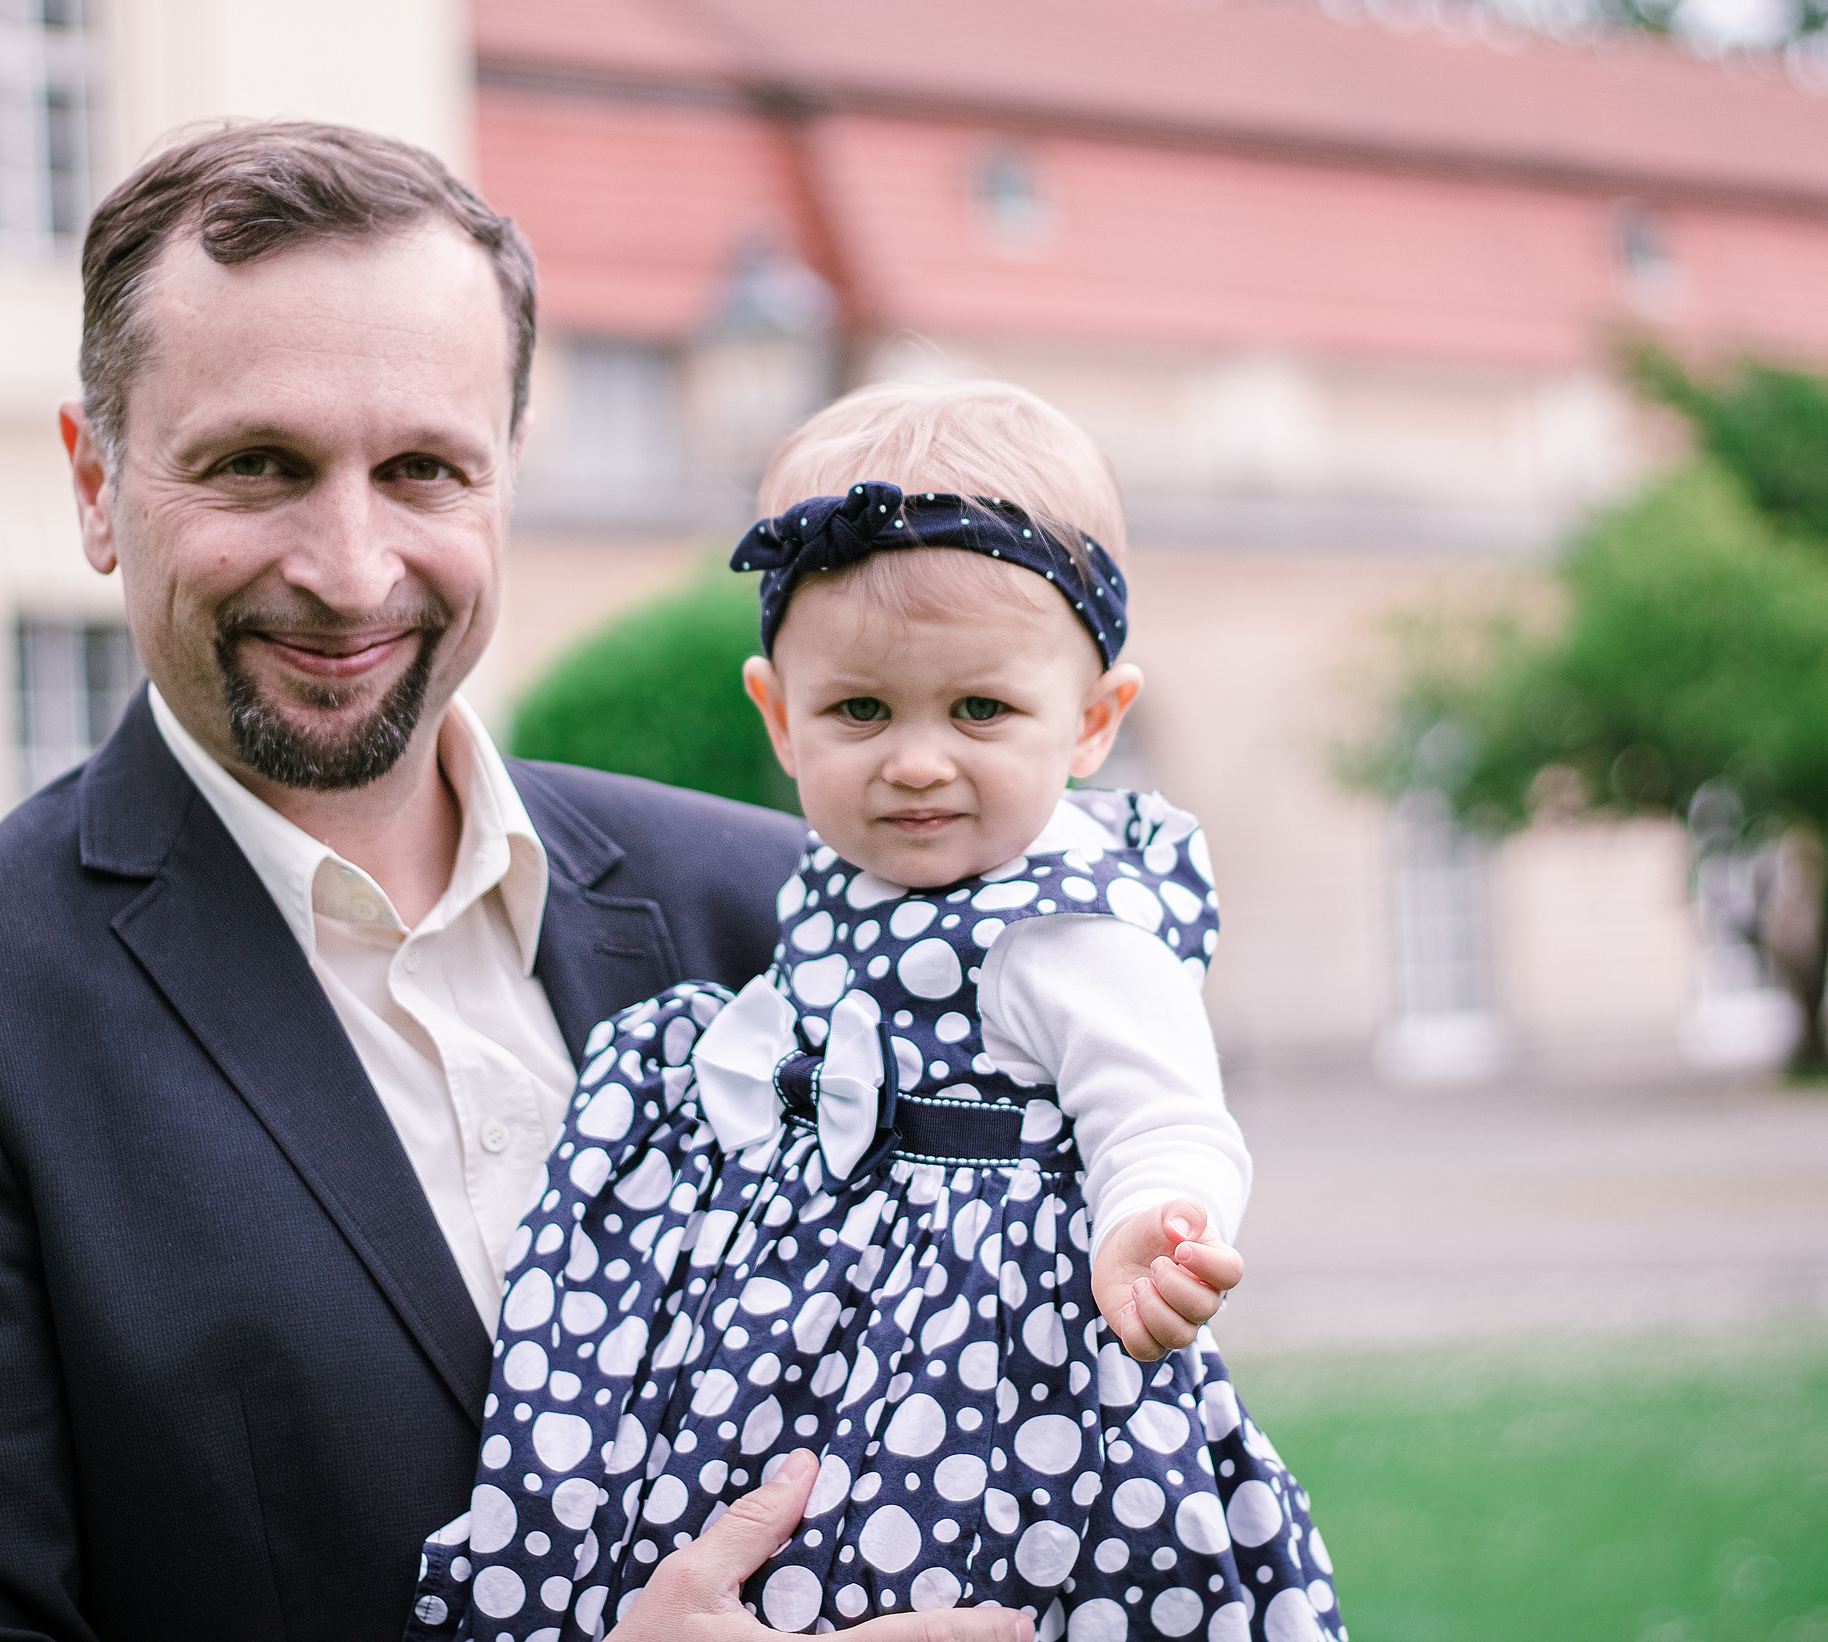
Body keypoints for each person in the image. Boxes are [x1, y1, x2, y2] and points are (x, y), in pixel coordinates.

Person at [0, 121, 1031, 1642]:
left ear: (507, 476)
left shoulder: (787, 911)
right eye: (256, 465)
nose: (350, 568)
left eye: (422, 468)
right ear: (96, 485)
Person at [407, 383, 1344, 1641]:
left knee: (954, 1581)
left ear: (1092, 722)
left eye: (980, 711)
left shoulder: (1062, 925)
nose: (915, 760)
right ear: (780, 718)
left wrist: (1151, 1231)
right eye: (860, 711)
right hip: (813, 1328)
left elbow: (1163, 1110)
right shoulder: (838, 884)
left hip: (992, 1376)